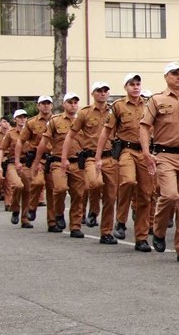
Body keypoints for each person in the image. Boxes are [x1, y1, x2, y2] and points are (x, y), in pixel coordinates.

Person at [140, 62, 179, 263]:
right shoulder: (156, 100)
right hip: (165, 155)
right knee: (170, 195)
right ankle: (158, 229)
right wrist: (147, 153)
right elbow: (144, 127)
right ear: (166, 76)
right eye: (175, 73)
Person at [96, 73, 154, 251]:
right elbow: (106, 132)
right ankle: (121, 220)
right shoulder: (118, 106)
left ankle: (141, 238)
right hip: (127, 150)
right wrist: (98, 157)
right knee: (128, 181)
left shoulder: (149, 105)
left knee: (146, 194)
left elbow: (157, 128)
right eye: (132, 84)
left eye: (138, 84)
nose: (136, 87)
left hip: (144, 152)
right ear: (125, 87)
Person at [63, 82, 119, 244]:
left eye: (105, 91)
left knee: (110, 197)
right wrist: (64, 157)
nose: (102, 94)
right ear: (93, 93)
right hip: (91, 157)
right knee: (94, 183)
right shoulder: (85, 113)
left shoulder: (114, 111)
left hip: (111, 157)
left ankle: (106, 232)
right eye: (99, 91)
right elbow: (71, 135)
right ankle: (93, 209)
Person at [37, 94, 84, 237]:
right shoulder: (55, 121)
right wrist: (37, 161)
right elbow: (44, 142)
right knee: (60, 188)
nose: (73, 105)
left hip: (77, 162)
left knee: (78, 194)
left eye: (76, 102)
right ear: (64, 104)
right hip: (58, 161)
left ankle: (75, 226)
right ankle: (58, 213)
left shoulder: (82, 120)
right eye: (70, 102)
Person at [15, 96, 54, 230]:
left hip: (53, 158)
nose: (46, 106)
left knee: (53, 190)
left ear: (52, 106)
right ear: (38, 106)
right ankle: (32, 207)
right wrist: (17, 160)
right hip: (37, 159)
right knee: (37, 182)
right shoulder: (31, 123)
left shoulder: (57, 120)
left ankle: (52, 222)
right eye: (43, 103)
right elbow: (20, 140)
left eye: (48, 103)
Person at [0, 110, 30, 227]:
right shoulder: (10, 133)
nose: (22, 119)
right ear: (15, 119)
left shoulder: (31, 133)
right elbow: (2, 150)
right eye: (19, 117)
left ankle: (25, 219)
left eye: (24, 117)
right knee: (18, 185)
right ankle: (15, 208)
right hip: (12, 164)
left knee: (27, 190)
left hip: (27, 164)